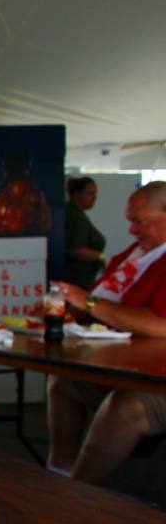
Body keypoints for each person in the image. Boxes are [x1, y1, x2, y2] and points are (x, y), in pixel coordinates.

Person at [47, 181, 166, 483]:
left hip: (155, 378)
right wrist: (66, 305)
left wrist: (87, 300)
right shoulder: (136, 255)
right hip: (129, 365)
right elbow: (104, 309)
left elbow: (159, 326)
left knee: (125, 404)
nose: (132, 230)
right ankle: (58, 472)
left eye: (138, 221)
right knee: (63, 380)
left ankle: (77, 494)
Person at [63, 176, 107, 289]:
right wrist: (100, 256)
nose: (94, 198)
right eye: (90, 193)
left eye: (95, 194)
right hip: (77, 282)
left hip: (80, 281)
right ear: (77, 194)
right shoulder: (75, 215)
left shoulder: (75, 213)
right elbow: (74, 249)